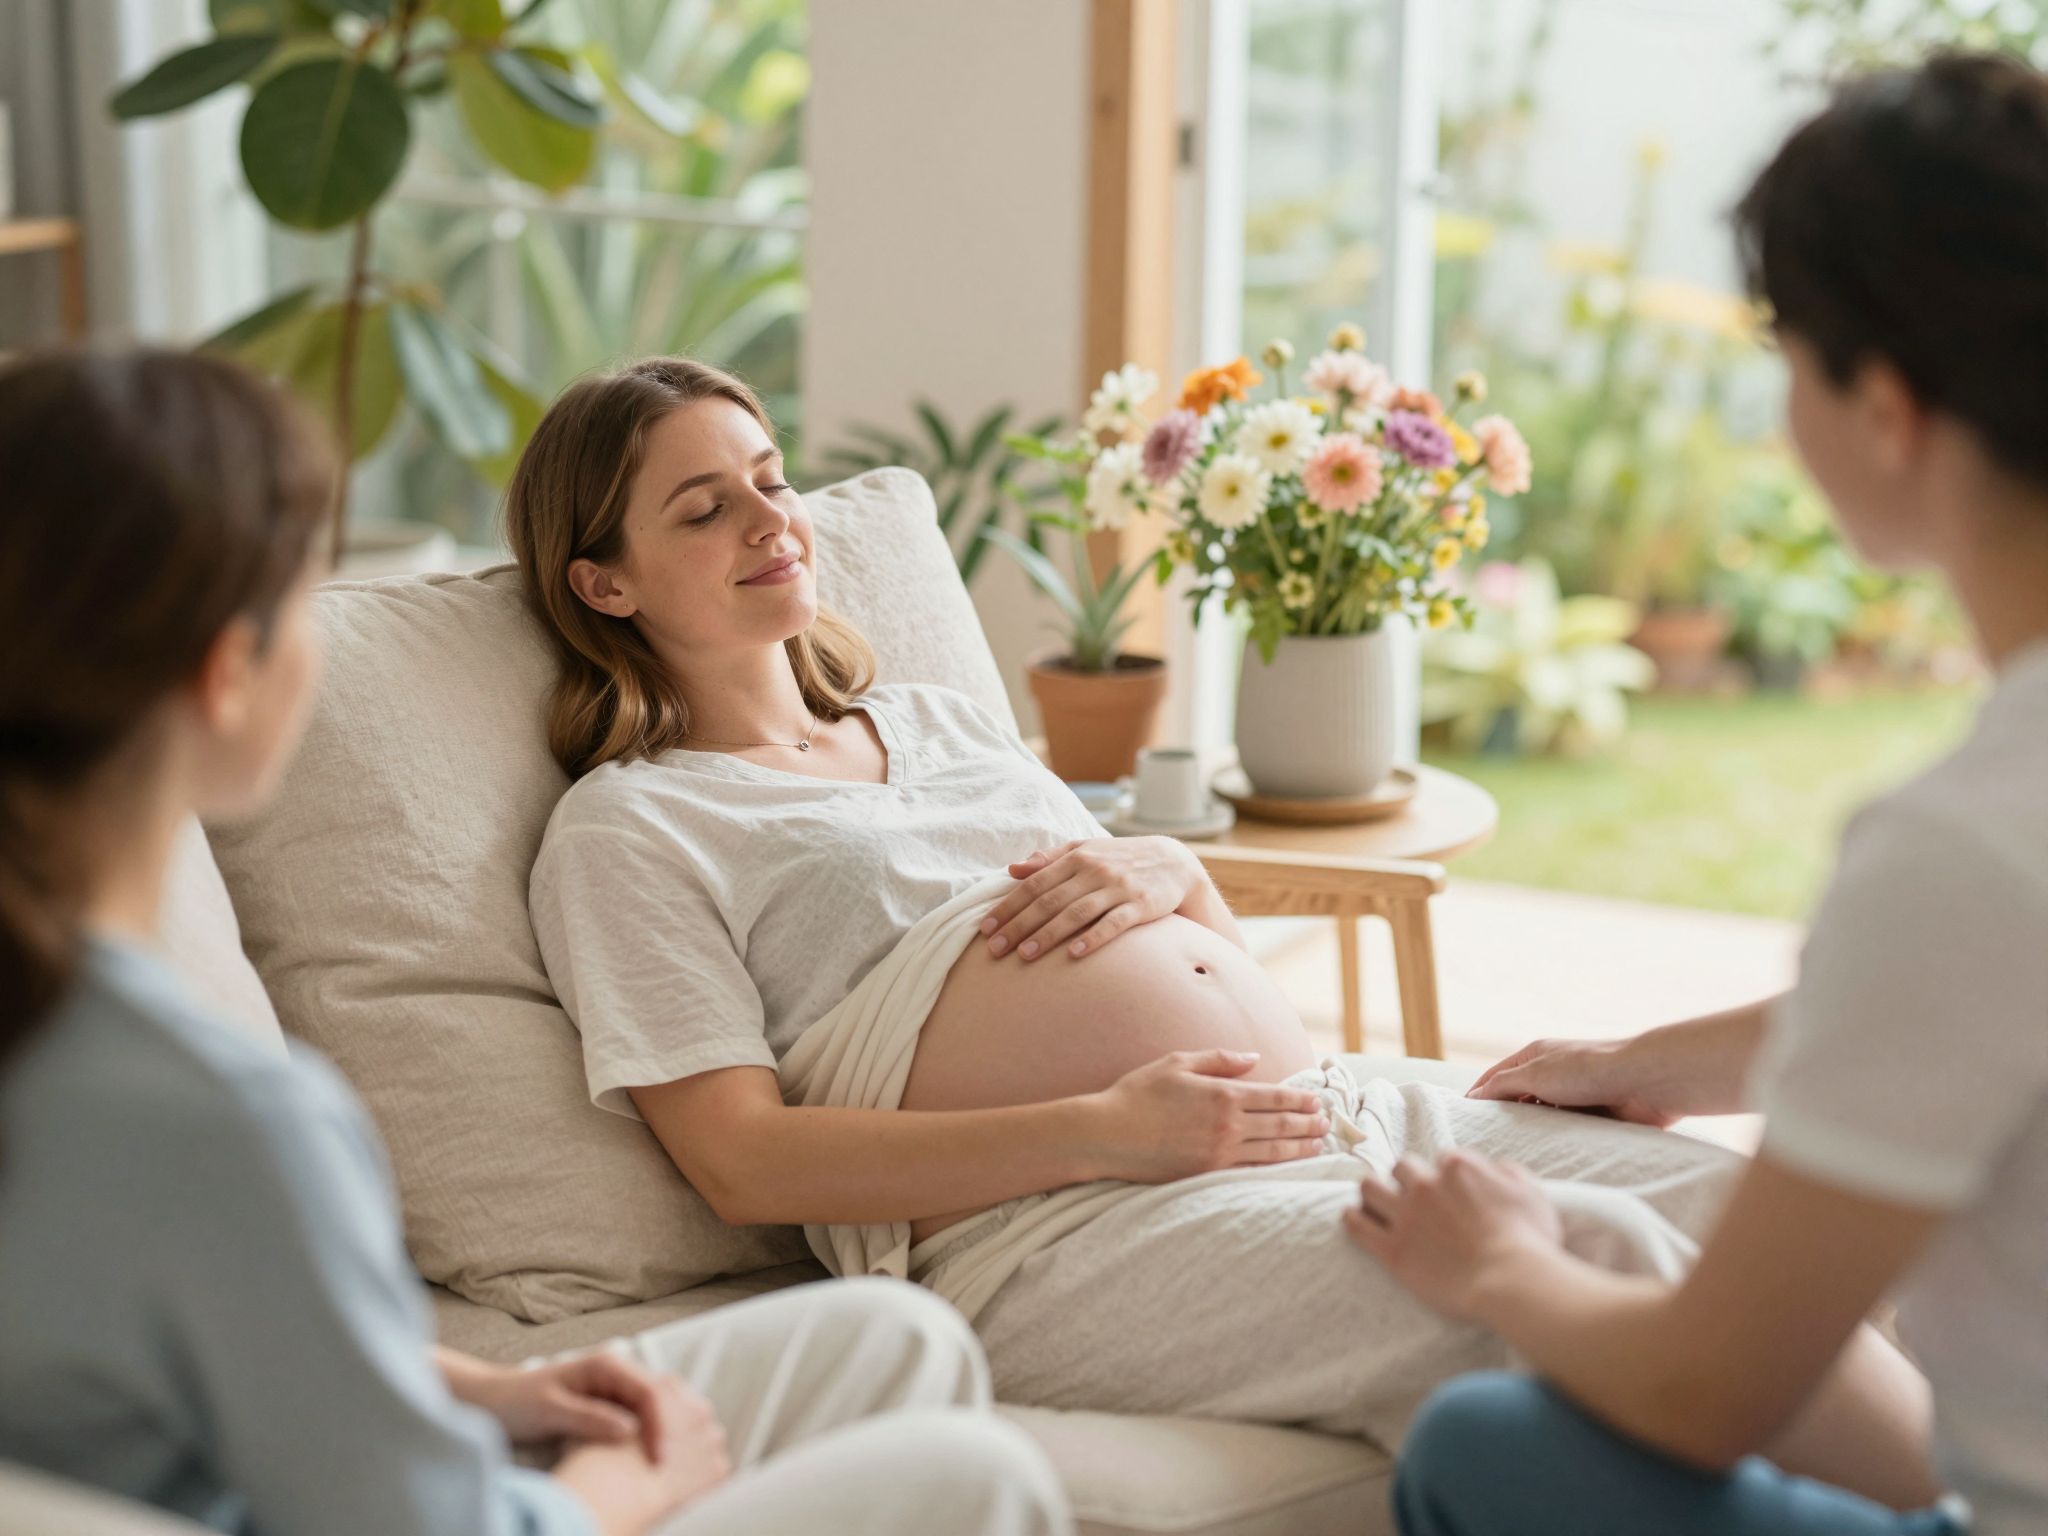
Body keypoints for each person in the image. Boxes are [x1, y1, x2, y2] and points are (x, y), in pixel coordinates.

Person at [506, 355, 1929, 1492]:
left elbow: (1185, 948)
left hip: (1325, 1110)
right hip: (1058, 1227)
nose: (773, 523)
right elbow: (741, 1162)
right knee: (1592, 1255)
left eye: (770, 479)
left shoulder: (934, 721)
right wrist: (1109, 1131)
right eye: (706, 509)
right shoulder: (633, 826)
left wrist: (1168, 879)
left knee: (1726, 1206)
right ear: (603, 584)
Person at [0, 348, 1069, 1536]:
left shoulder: (72, 1043)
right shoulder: (232, 1117)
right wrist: (616, 1494)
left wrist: (489, 1390)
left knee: (893, 1337)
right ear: (225, 677)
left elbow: (178, 1340)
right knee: (983, 1482)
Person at [1345, 50, 2048, 1536]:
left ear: (1887, 405)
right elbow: (1990, 993)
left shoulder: (1962, 843)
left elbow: (1698, 1392)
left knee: (1486, 1442)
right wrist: (1667, 1060)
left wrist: (1501, 1267)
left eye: (1790, 355)